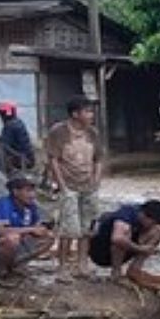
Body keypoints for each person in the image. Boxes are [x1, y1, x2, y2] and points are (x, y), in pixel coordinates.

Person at [42, 96, 103, 276]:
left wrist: (96, 181)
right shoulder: (59, 132)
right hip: (68, 185)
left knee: (87, 228)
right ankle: (62, 267)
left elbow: (98, 159)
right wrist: (61, 185)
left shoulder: (93, 133)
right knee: (68, 229)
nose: (91, 115)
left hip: (88, 186)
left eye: (91, 111)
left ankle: (82, 264)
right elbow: (53, 159)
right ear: (75, 114)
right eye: (87, 111)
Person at [0, 174, 54, 280]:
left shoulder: (30, 207)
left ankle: (16, 264)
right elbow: (2, 231)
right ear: (16, 192)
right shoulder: (3, 204)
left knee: (48, 237)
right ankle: (0, 267)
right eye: (28, 191)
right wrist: (31, 229)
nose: (32, 195)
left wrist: (41, 229)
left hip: (18, 244)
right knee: (12, 239)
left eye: (33, 191)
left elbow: (34, 225)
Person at [89, 199, 160, 288]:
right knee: (123, 237)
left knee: (158, 231)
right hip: (101, 251)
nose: (152, 225)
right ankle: (116, 273)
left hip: (126, 248)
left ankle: (135, 269)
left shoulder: (145, 211)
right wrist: (140, 248)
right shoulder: (126, 215)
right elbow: (117, 238)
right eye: (152, 222)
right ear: (145, 216)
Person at [0, 103, 35, 175]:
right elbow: (12, 138)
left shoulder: (9, 126)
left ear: (7, 115)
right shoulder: (18, 122)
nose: (1, 117)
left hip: (20, 159)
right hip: (28, 158)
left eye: (2, 114)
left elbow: (6, 145)